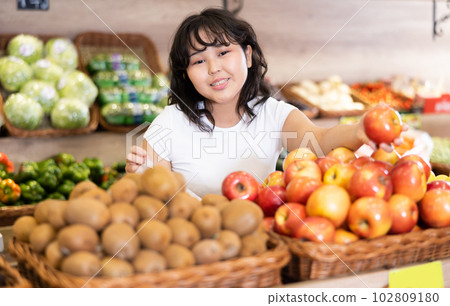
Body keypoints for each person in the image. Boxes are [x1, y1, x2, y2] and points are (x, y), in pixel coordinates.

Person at [126, 8, 399, 198]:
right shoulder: (171, 122)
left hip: (259, 244)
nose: (214, 68)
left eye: (223, 52)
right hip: (194, 248)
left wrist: (359, 130)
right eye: (198, 61)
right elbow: (158, 196)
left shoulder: (274, 114)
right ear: (186, 74)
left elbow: (321, 141)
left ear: (247, 55)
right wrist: (140, 176)